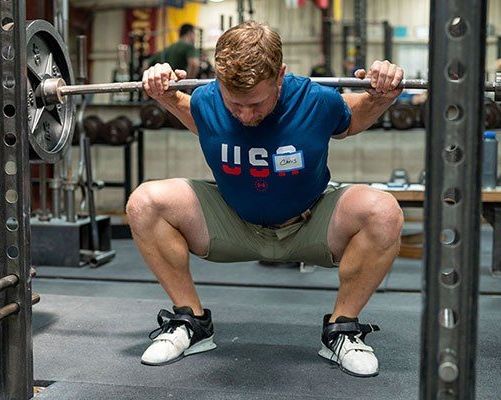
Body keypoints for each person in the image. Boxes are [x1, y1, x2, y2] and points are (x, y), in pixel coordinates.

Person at [128, 20, 404, 378]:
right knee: (144, 202)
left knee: (383, 211)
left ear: (280, 76)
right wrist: (161, 87)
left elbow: (352, 119)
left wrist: (381, 93)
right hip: (231, 222)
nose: (245, 114)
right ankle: (190, 322)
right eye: (235, 105)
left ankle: (342, 329)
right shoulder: (208, 101)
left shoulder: (314, 100)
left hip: (311, 224)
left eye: (256, 104)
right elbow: (188, 108)